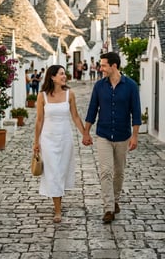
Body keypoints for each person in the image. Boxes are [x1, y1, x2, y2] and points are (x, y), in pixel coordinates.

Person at [82, 52, 141, 224]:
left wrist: (135, 136)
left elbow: (136, 113)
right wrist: (86, 132)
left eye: (104, 66)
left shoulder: (130, 86)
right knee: (106, 171)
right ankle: (108, 208)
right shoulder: (99, 86)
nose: (101, 69)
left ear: (114, 66)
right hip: (104, 135)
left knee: (119, 172)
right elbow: (92, 110)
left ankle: (115, 199)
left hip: (123, 135)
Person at [33, 65, 86, 223]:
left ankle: (58, 202)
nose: (64, 76)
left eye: (64, 74)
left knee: (61, 171)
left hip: (65, 138)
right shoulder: (42, 96)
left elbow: (75, 116)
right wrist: (36, 142)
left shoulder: (70, 94)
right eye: (61, 74)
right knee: (54, 171)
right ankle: (57, 210)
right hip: (48, 139)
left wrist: (85, 134)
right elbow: (39, 120)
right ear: (52, 77)